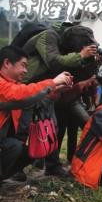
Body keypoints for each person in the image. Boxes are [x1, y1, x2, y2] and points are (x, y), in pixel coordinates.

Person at [13, 23, 100, 181]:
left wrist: (92, 61)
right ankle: (14, 168)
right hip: (26, 85)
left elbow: (75, 73)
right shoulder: (48, 36)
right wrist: (80, 55)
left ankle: (52, 167)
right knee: (23, 128)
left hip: (45, 89)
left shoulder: (66, 51)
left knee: (51, 126)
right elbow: (53, 62)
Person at [0, 45, 72, 183]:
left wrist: (55, 89)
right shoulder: (3, 86)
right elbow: (21, 95)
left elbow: (29, 98)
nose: (26, 70)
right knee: (15, 148)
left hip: (4, 140)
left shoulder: (12, 85)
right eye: (23, 65)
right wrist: (53, 81)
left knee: (26, 152)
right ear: (7, 63)